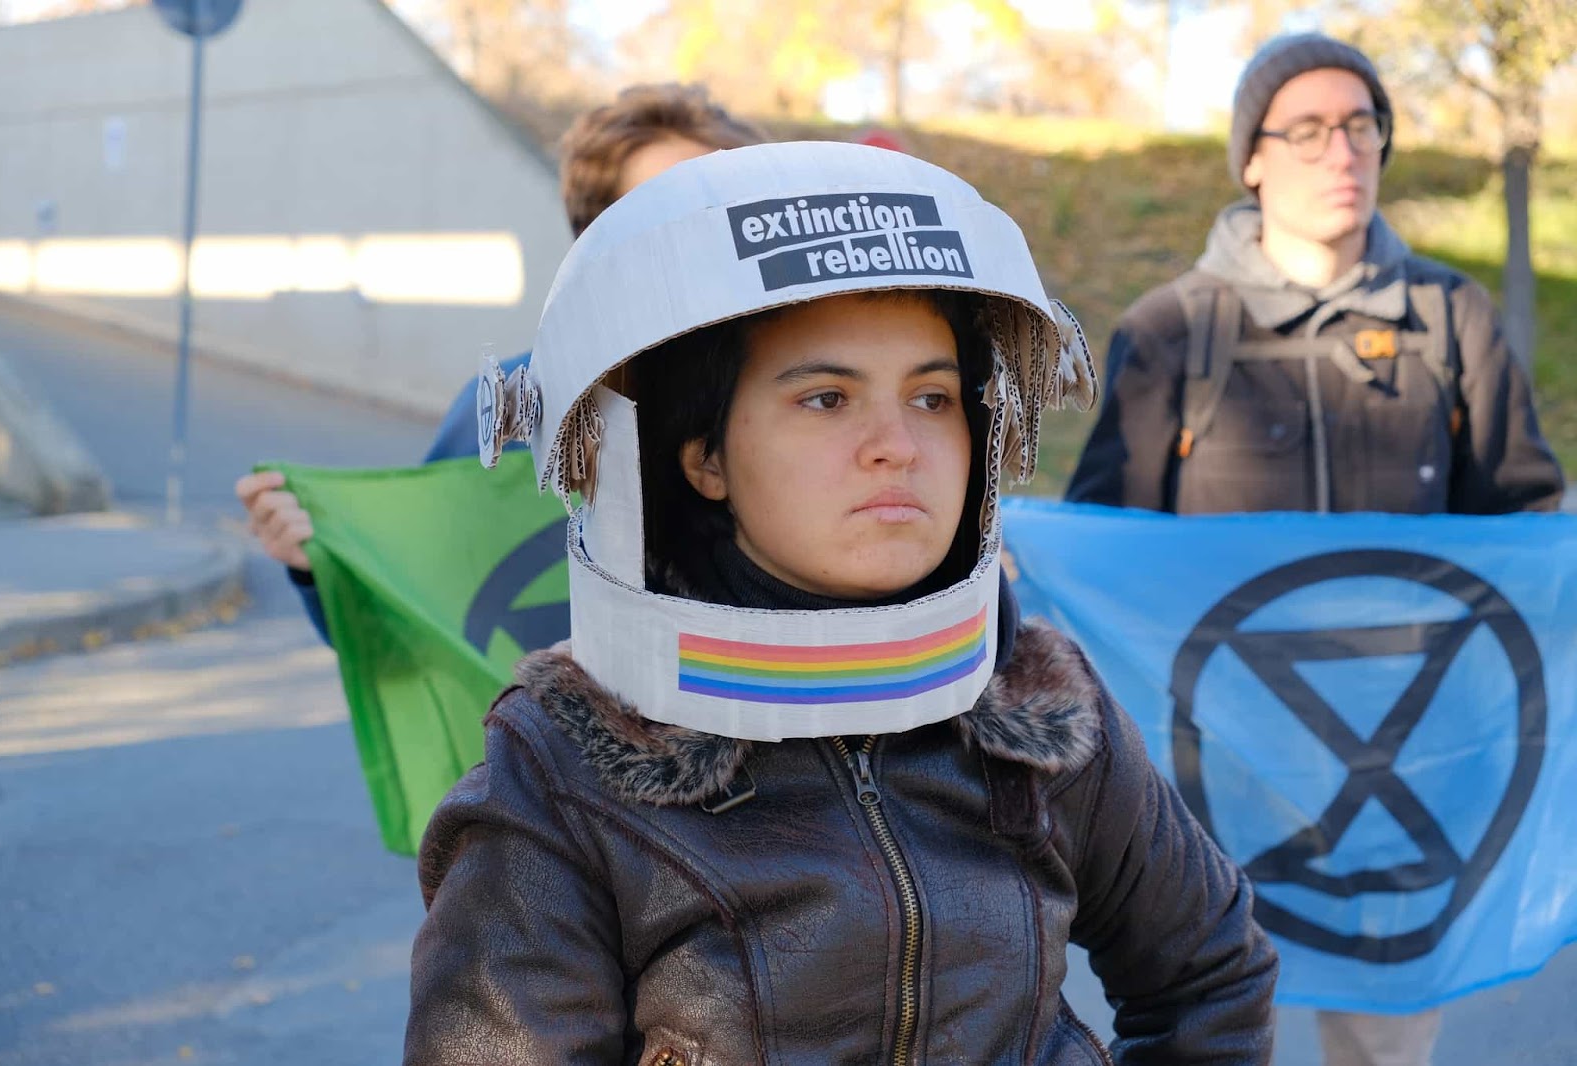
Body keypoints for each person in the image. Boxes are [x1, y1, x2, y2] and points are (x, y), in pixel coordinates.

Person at [405, 140, 1278, 1063]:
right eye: (826, 399)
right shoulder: (560, 770)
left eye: (934, 398)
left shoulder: (1040, 701)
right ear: (703, 458)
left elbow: (1211, 974)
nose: (897, 445)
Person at [1065, 32, 1565, 1066]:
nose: (1339, 151)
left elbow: (1521, 519)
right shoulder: (1170, 330)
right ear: (1252, 156)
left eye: (1360, 126)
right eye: (1305, 129)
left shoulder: (1450, 318)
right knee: (1199, 1022)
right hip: (1208, 769)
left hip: (1403, 772)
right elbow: (1106, 533)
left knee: (1383, 1044)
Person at [233, 83, 767, 640]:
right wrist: (324, 566)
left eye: (727, 205)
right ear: (596, 244)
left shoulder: (832, 398)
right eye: (667, 212)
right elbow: (425, 615)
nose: (704, 233)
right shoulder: (522, 405)